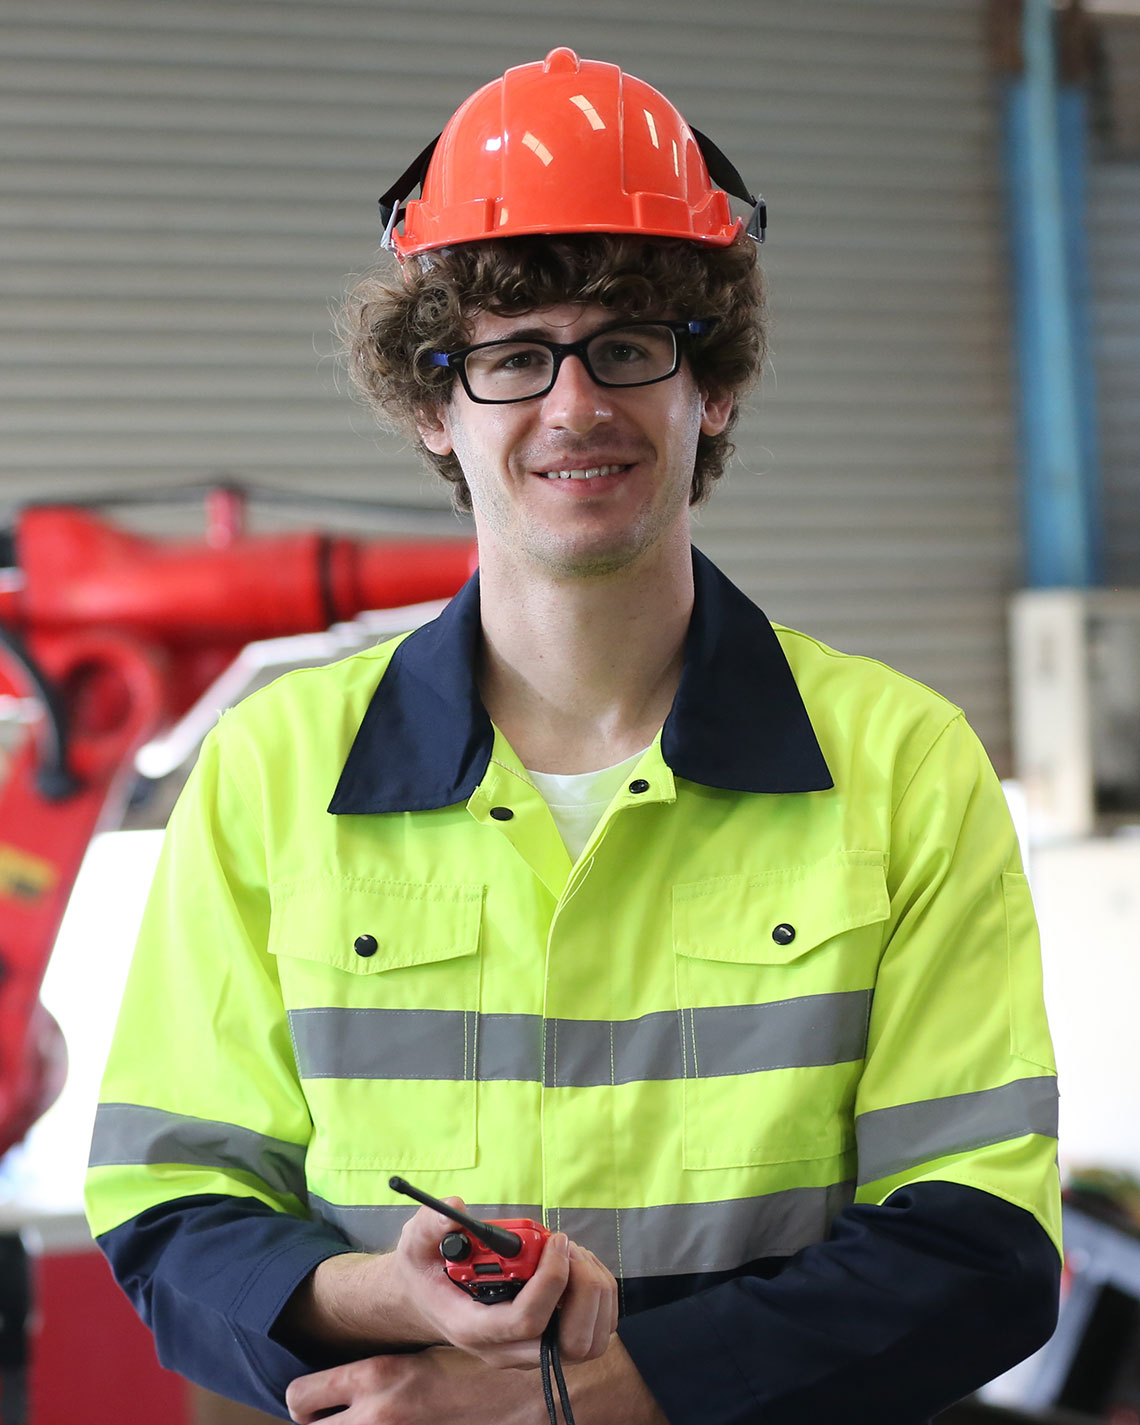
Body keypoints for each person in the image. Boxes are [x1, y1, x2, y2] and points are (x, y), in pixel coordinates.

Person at [85, 48, 1062, 1425]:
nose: (574, 404)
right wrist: (383, 1294)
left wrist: (573, 1399)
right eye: (511, 355)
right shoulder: (272, 774)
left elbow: (981, 1248)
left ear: (708, 387)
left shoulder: (901, 766)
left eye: (626, 346)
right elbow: (172, 1207)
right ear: (434, 405)